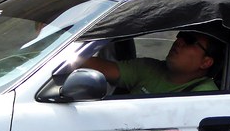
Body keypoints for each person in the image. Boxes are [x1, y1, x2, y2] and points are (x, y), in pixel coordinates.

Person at [82, 31, 222, 95]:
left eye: (189, 41)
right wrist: (65, 59)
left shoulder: (204, 94)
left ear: (206, 62)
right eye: (180, 36)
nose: (178, 42)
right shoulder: (149, 68)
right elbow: (100, 68)